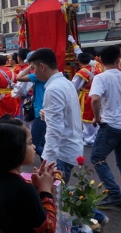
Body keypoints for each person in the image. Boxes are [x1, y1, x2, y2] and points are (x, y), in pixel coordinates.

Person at [0, 115, 57, 233]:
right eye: (30, 142)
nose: (33, 147)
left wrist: (36, 185)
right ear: (14, 148)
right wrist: (45, 190)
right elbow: (48, 228)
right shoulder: (24, 189)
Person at [27, 48, 83, 183]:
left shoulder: (53, 89)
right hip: (70, 147)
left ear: (42, 66)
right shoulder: (66, 83)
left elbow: (54, 129)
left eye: (34, 68)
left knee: (56, 198)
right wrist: (48, 115)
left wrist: (48, 162)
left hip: (60, 153)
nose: (33, 72)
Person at [89, 45, 121, 206]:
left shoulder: (101, 77)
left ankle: (114, 193)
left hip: (110, 124)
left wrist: (96, 117)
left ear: (100, 61)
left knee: (97, 157)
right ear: (118, 60)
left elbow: (95, 99)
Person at [16, 52, 47, 159]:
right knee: (42, 142)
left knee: (35, 144)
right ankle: (47, 165)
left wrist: (31, 66)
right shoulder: (47, 74)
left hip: (40, 112)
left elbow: (19, 77)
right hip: (44, 110)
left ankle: (51, 162)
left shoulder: (38, 75)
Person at [71, 53, 103, 146]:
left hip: (87, 96)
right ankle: (95, 136)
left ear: (79, 61)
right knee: (96, 116)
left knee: (87, 118)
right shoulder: (98, 67)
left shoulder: (81, 72)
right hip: (98, 94)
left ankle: (89, 139)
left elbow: (74, 86)